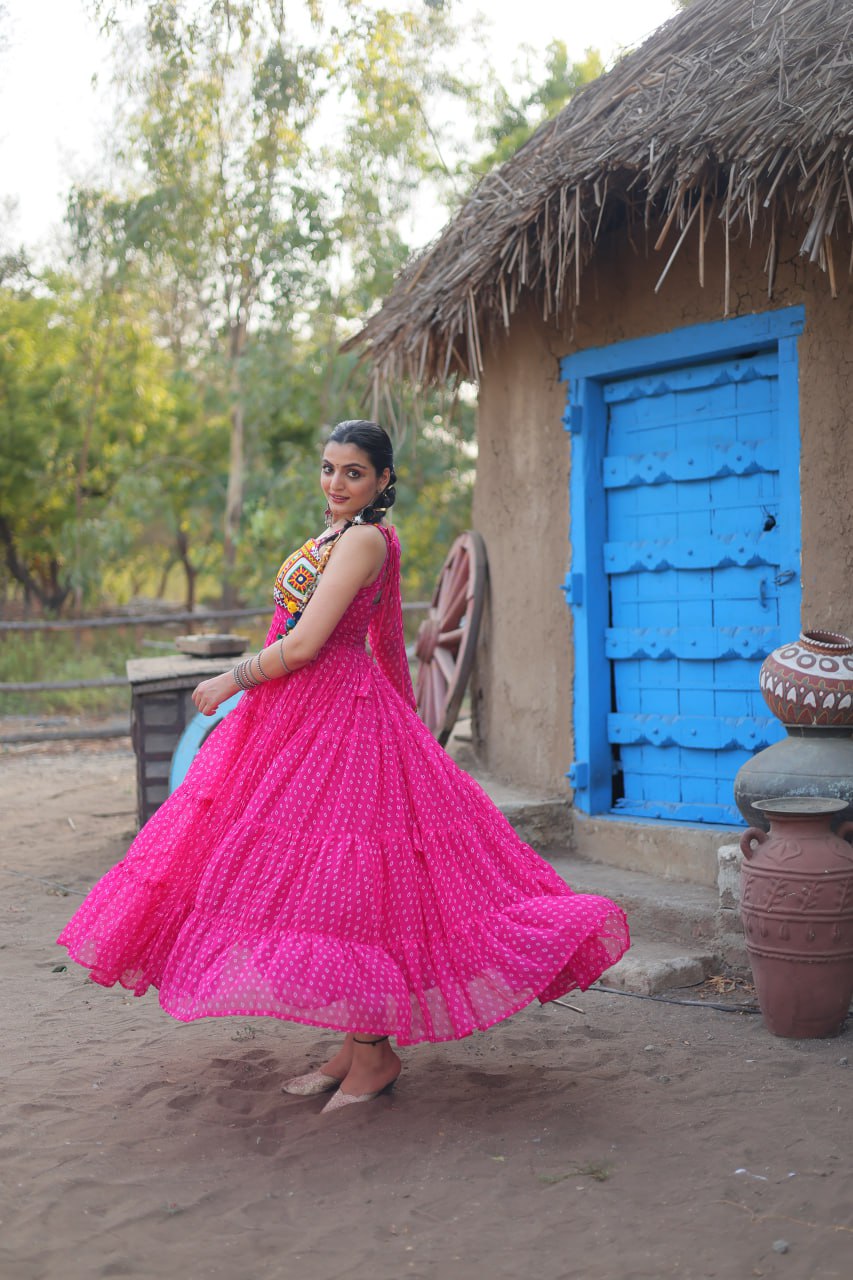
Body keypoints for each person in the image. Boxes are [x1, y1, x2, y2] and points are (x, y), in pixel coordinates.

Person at [57, 420, 629, 1113]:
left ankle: (373, 1059)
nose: (335, 483)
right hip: (301, 719)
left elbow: (303, 647)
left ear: (383, 481)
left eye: (352, 472)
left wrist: (228, 682)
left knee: (346, 887)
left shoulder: (363, 540)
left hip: (336, 723)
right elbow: (384, 642)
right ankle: (353, 1048)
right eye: (328, 469)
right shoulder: (337, 535)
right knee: (312, 886)